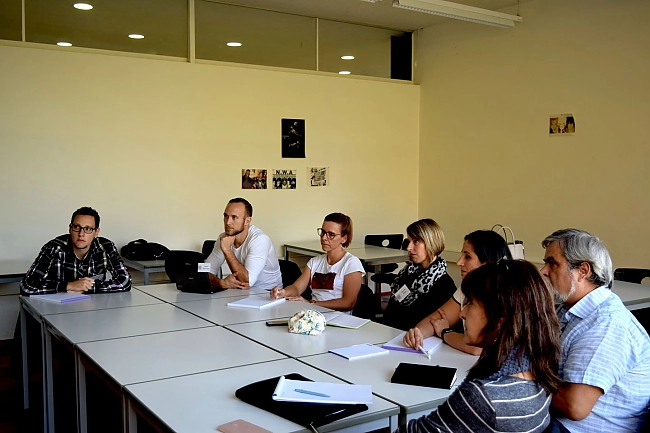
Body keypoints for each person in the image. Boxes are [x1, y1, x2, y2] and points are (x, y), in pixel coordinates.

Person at [396, 260, 561, 433]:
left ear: (500, 319)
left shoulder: (483, 399)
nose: (462, 313)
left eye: (471, 304)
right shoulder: (541, 371)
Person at [541, 229, 650, 432]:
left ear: (583, 271)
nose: (543, 271)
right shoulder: (569, 309)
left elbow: (575, 406)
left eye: (552, 263)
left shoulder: (606, 324)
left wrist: (525, 377)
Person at [404, 230, 512, 355]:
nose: (459, 262)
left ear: (487, 263)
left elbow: (477, 348)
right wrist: (418, 333)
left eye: (467, 257)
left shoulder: (503, 294)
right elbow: (435, 318)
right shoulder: (468, 287)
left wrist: (445, 332)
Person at [20, 206, 132, 295]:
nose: (81, 234)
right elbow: (26, 286)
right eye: (77, 227)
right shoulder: (53, 247)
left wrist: (87, 287)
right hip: (56, 310)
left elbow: (125, 281)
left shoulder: (106, 247)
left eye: (88, 229)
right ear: (70, 228)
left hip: (92, 308)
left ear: (96, 232)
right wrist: (69, 286)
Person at [270, 213, 364, 311]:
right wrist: (283, 292)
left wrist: (312, 303)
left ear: (344, 238)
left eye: (331, 234)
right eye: (323, 232)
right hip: (315, 314)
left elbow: (348, 303)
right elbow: (296, 288)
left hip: (338, 317)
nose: (324, 238)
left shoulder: (351, 263)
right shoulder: (315, 262)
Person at [380, 219, 456, 331]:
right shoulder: (405, 274)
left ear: (431, 243)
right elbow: (390, 313)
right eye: (409, 241)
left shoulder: (445, 286)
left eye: (415, 241)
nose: (408, 247)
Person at [204, 198, 282, 290]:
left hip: (267, 293)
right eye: (226, 216)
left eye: (234, 217)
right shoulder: (224, 238)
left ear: (247, 221)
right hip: (241, 292)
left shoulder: (260, 239)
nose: (228, 222)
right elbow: (203, 271)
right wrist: (221, 283)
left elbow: (246, 282)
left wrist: (227, 250)